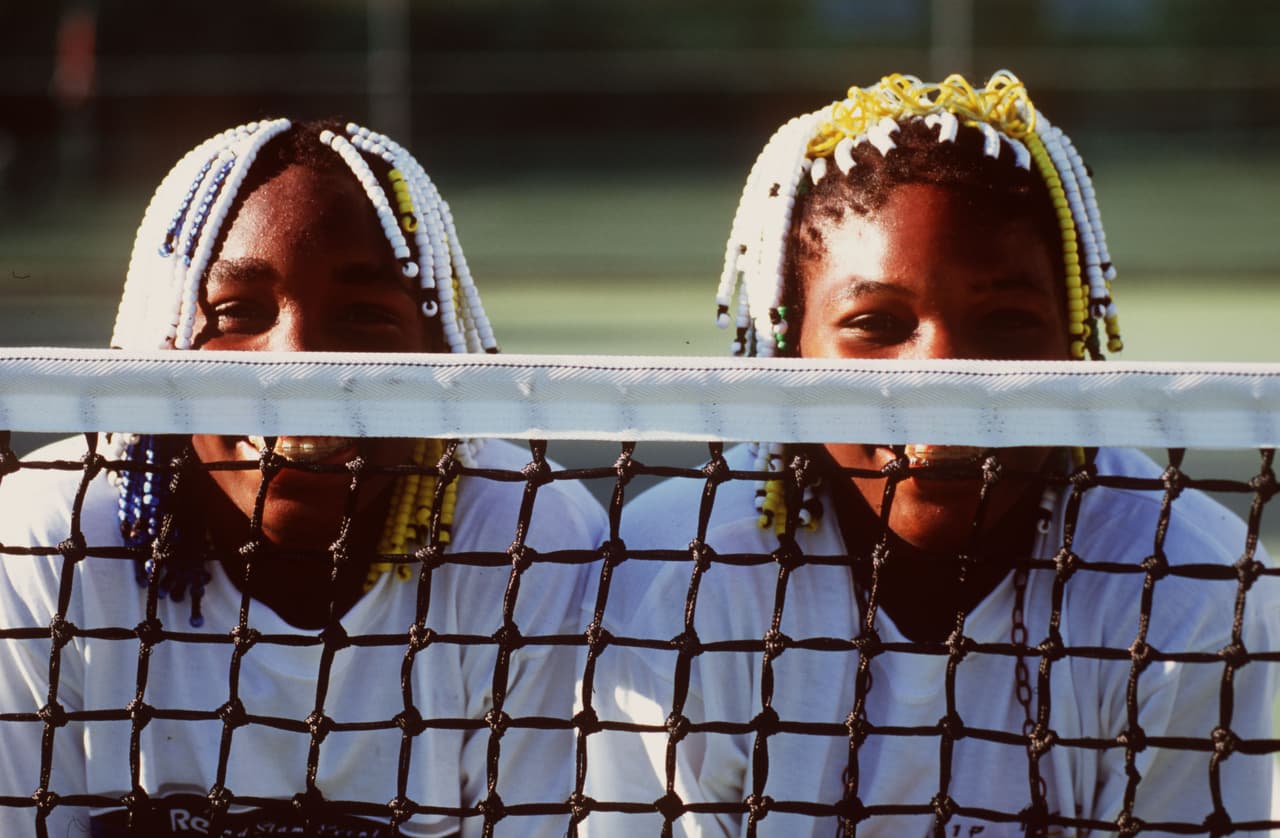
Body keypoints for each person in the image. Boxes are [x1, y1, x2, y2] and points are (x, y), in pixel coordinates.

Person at [584, 73, 1279, 836]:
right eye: (876, 322)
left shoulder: (1198, 589)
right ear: (785, 350)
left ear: (1075, 342)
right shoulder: (670, 576)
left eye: (1008, 321)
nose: (944, 375)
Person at [0, 119, 607, 837]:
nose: (301, 366)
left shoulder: (527, 536)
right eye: (239, 312)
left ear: (441, 351)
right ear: (161, 342)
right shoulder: (49, 536)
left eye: (362, 315)